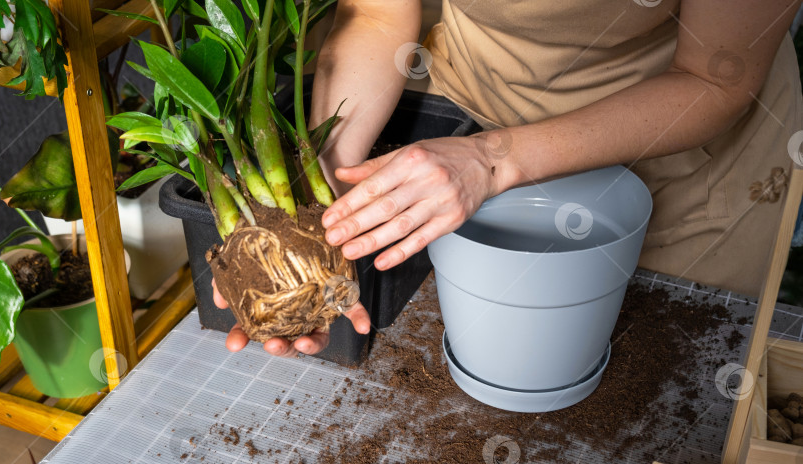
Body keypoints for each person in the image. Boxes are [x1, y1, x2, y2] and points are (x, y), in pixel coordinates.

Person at [216, 0, 803, 357]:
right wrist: (314, 212)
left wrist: (492, 162)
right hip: (477, 104)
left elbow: (716, 79)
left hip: (676, 140)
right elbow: (376, 12)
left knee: (656, 359)